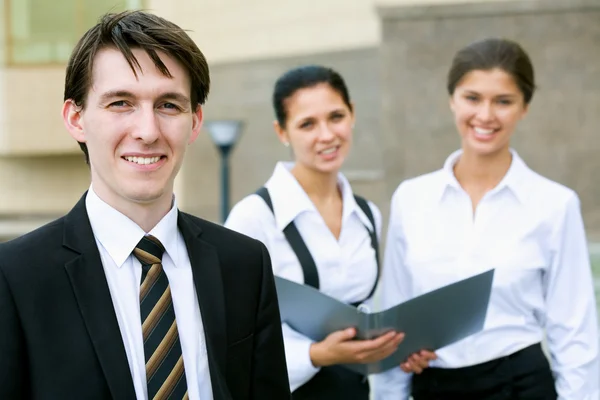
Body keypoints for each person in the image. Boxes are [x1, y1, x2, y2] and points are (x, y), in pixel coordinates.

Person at [0, 10, 291, 400]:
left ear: (196, 120)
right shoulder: (15, 278)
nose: (148, 131)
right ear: (76, 118)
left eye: (169, 105)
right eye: (121, 103)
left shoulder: (244, 264)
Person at [372, 37, 600, 400]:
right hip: (434, 385)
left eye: (503, 101)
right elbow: (396, 322)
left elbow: (574, 330)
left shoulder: (554, 204)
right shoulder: (412, 199)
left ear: (524, 107)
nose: (485, 115)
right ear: (452, 100)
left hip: (520, 385)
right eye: (472, 98)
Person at [224, 65, 434, 400]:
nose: (326, 135)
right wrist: (317, 355)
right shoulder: (254, 218)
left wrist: (399, 346)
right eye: (307, 124)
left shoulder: (367, 215)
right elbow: (231, 338)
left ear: (352, 115)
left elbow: (368, 312)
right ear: (282, 132)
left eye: (335, 116)